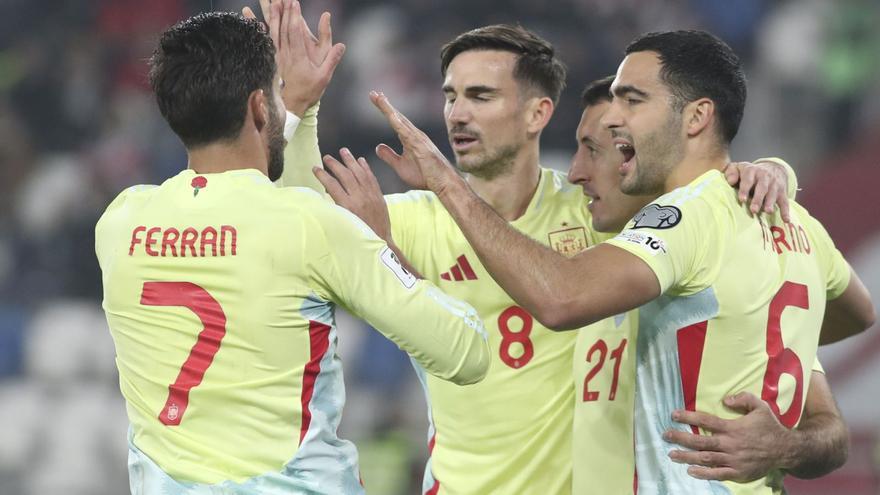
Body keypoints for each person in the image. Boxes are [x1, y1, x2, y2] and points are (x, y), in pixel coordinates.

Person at [361, 29, 875, 493]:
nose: (582, 168)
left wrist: (446, 182)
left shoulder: (681, 225)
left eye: (630, 106)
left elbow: (560, 297)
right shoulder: (791, 230)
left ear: (696, 117)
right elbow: (859, 318)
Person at [94, 5, 489, 494]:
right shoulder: (311, 227)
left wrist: (297, 109)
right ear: (260, 107)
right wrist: (382, 246)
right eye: (275, 99)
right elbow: (465, 352)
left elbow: (249, 214)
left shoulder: (119, 222)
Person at [569, 75, 852, 491]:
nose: (576, 172)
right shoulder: (588, 247)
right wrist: (778, 169)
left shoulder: (732, 265)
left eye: (597, 151)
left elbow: (831, 433)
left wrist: (786, 447)